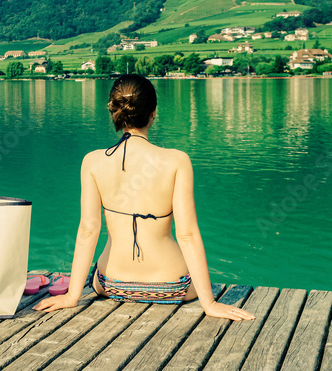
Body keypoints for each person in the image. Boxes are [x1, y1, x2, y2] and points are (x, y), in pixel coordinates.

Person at [34, 74, 255, 320]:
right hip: (173, 287)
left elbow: (88, 230)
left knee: (98, 268)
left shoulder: (92, 162)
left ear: (114, 113)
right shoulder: (177, 160)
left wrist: (71, 296)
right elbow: (187, 234)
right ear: (153, 114)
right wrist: (210, 303)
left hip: (110, 284)